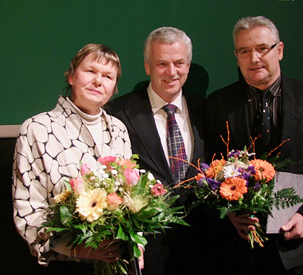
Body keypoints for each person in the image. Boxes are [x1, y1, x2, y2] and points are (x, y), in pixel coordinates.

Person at [206, 16, 303, 274]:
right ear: (236, 56)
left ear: (279, 50)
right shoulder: (218, 104)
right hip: (235, 248)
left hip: (294, 244)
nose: (254, 58)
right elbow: (209, 165)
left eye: (262, 48)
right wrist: (227, 212)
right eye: (244, 51)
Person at [12, 44, 134, 273]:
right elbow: (27, 209)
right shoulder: (37, 129)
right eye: (90, 71)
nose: (98, 81)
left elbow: (129, 197)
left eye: (108, 76)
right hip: (64, 265)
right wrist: (77, 249)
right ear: (71, 77)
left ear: (114, 88)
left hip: (116, 261)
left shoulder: (119, 130)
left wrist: (135, 244)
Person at [106, 27, 207, 275]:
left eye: (179, 63)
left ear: (188, 66)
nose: (171, 72)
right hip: (147, 252)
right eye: (162, 63)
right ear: (147, 67)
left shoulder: (207, 110)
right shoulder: (118, 113)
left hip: (203, 248)